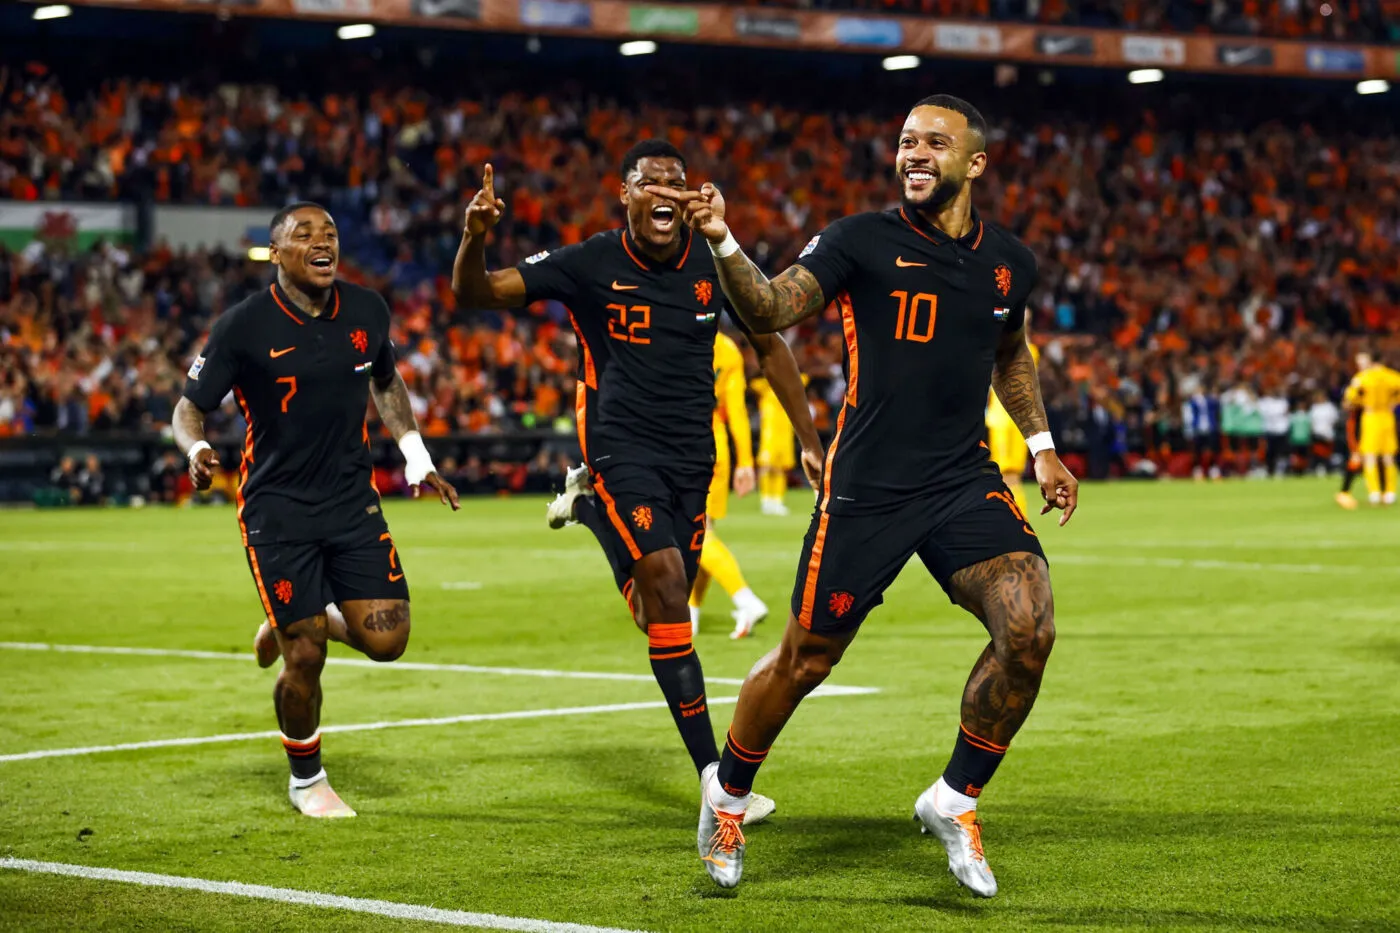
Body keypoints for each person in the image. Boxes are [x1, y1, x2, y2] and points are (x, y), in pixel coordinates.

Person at [651, 94, 1078, 896]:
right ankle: (728, 794)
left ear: (975, 163)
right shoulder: (862, 240)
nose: (914, 153)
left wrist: (1043, 447)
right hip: (869, 485)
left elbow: (1010, 352)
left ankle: (953, 799)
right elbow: (771, 306)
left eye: (934, 143)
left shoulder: (1009, 262)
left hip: (962, 478)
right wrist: (722, 241)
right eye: (906, 141)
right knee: (805, 657)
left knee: (1030, 624)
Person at [451, 144, 821, 825]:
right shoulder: (589, 261)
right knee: (671, 585)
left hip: (692, 460)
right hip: (622, 449)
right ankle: (716, 777)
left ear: (690, 197)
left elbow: (769, 337)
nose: (663, 191)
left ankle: (589, 512)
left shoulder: (714, 262)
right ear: (624, 195)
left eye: (675, 183)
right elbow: (475, 292)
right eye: (647, 181)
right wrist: (474, 240)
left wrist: (807, 438)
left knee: (659, 614)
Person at [173, 202, 460, 819]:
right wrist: (197, 447)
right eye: (304, 234)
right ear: (276, 254)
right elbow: (188, 406)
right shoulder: (244, 326)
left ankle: (299, 616)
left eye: (329, 232)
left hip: (352, 501)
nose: (321, 241)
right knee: (304, 655)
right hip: (277, 511)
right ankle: (307, 778)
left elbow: (385, 380)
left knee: (389, 641)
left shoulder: (367, 310)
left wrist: (415, 455)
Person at [688, 329, 771, 640]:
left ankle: (745, 599)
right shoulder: (728, 350)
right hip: (716, 444)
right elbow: (736, 410)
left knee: (693, 534)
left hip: (684, 443)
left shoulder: (674, 334)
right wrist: (745, 461)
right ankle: (691, 612)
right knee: (703, 531)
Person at [986, 337, 1041, 513]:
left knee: (1006, 476)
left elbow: (1001, 316)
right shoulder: (1029, 351)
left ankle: (1015, 518)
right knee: (1008, 477)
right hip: (1014, 421)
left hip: (1005, 423)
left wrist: (1008, 313)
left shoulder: (1018, 351)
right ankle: (1017, 519)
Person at [751, 357, 808, 516]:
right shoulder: (765, 387)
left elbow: (804, 378)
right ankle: (765, 499)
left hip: (785, 434)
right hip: (769, 434)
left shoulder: (791, 387)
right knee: (767, 466)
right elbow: (754, 381)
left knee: (782, 468)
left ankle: (777, 500)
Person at [1343, 351, 1400, 505]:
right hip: (1388, 416)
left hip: (1370, 416)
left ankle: (1374, 492)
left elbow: (1350, 398)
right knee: (1388, 457)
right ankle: (1389, 493)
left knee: (1370, 457)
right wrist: (1394, 402)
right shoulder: (1393, 376)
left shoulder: (1363, 378)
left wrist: (1360, 402)